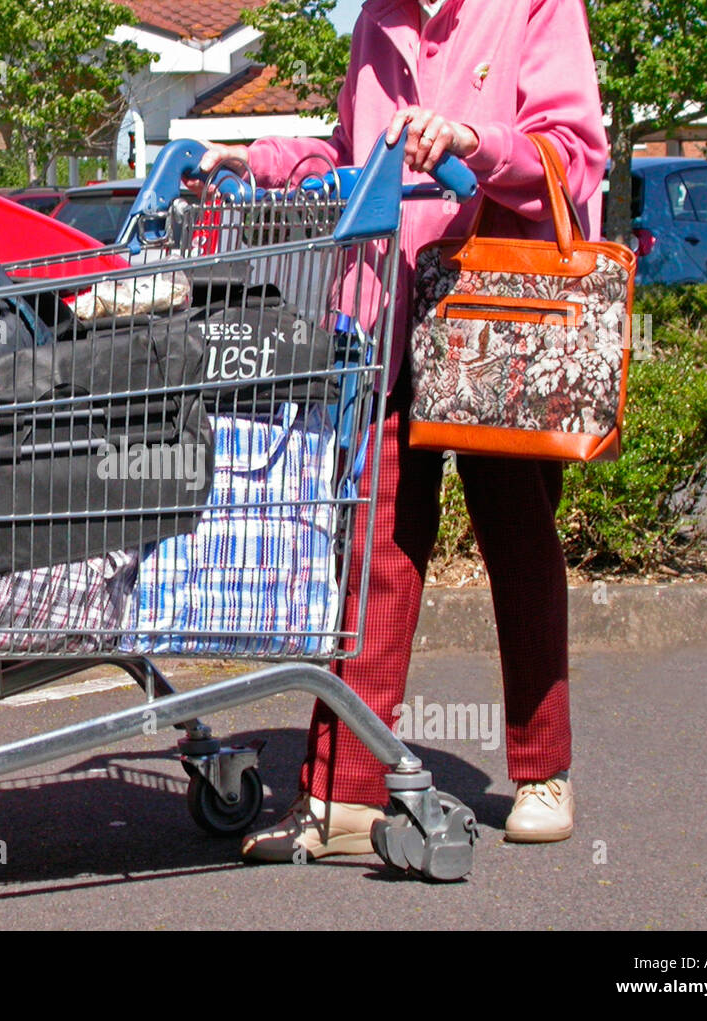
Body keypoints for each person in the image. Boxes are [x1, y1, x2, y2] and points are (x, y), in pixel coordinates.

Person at [195, 0, 609, 859]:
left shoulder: (534, 6)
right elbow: (356, 154)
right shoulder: (378, 19)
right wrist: (264, 157)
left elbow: (572, 159)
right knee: (372, 550)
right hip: (387, 313)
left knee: (519, 544)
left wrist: (471, 140)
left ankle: (543, 770)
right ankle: (343, 796)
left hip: (502, 313)